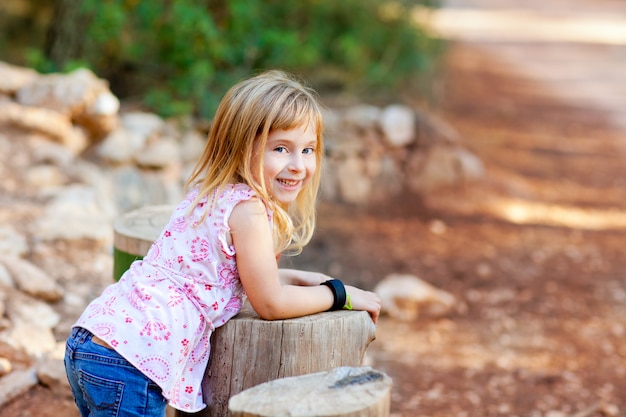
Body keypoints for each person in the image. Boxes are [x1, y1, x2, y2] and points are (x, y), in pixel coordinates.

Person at [64, 70, 381, 417]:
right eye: (280, 148)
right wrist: (340, 295)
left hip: (94, 341)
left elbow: (247, 279)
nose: (298, 165)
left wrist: (316, 280)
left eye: (308, 149)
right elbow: (270, 302)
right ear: (240, 147)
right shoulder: (248, 211)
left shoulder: (212, 194)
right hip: (129, 361)